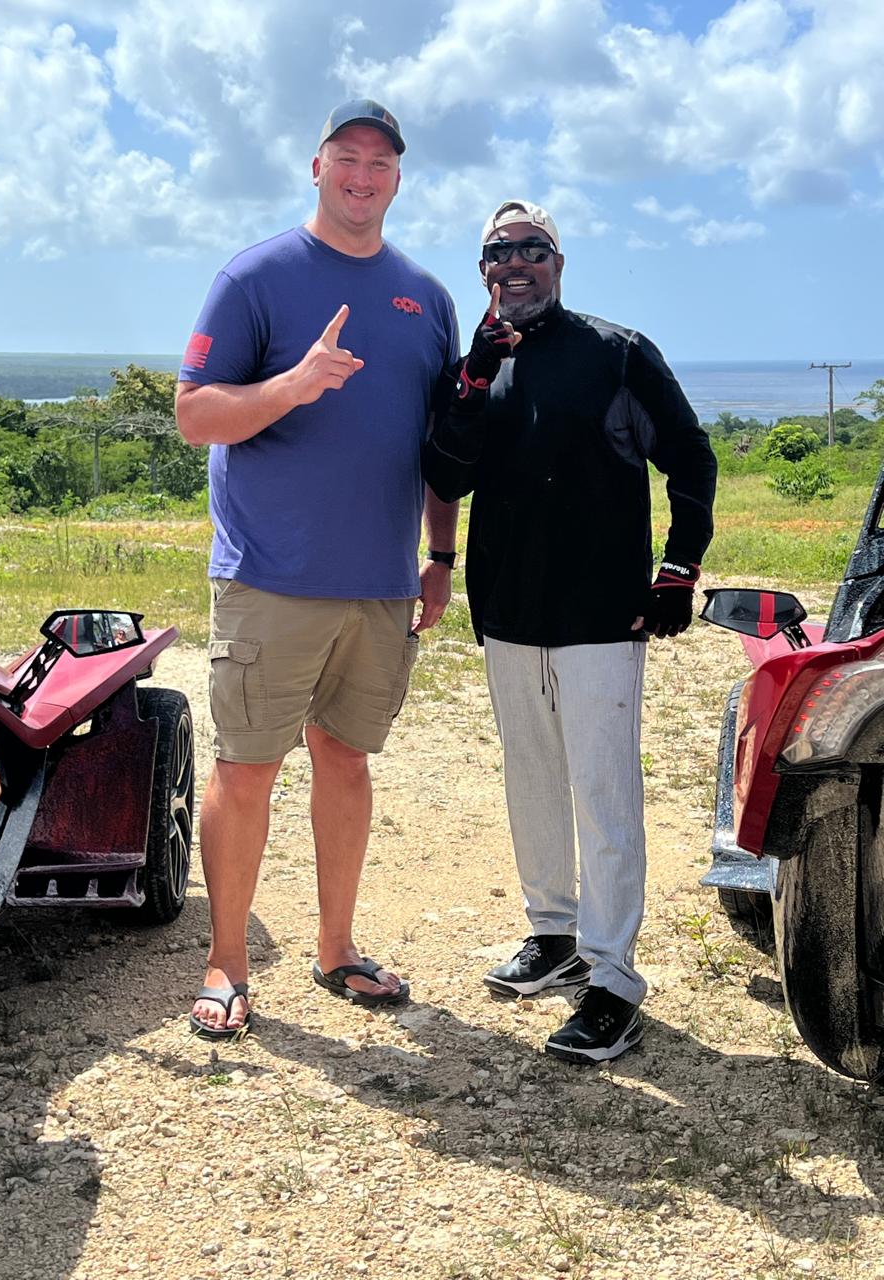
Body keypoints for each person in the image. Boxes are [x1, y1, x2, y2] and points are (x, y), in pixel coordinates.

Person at [176, 101, 460, 1039]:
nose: (363, 175)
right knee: (248, 766)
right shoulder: (254, 277)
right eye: (348, 157)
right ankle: (225, 962)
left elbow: (441, 446)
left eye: (381, 163)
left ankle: (336, 950)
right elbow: (195, 414)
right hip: (271, 576)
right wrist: (295, 383)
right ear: (316, 166)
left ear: (397, 180)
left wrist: (439, 555)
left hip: (379, 583)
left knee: (346, 760)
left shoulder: (427, 294)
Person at [423, 199, 716, 1064]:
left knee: (602, 789)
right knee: (532, 779)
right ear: (483, 271)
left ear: (559, 261)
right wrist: (472, 381)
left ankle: (614, 978)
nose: (514, 263)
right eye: (496, 252)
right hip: (509, 611)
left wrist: (678, 567)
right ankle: (554, 934)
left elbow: (690, 457)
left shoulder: (618, 353)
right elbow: (444, 470)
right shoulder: (476, 366)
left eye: (531, 248)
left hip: (600, 614)